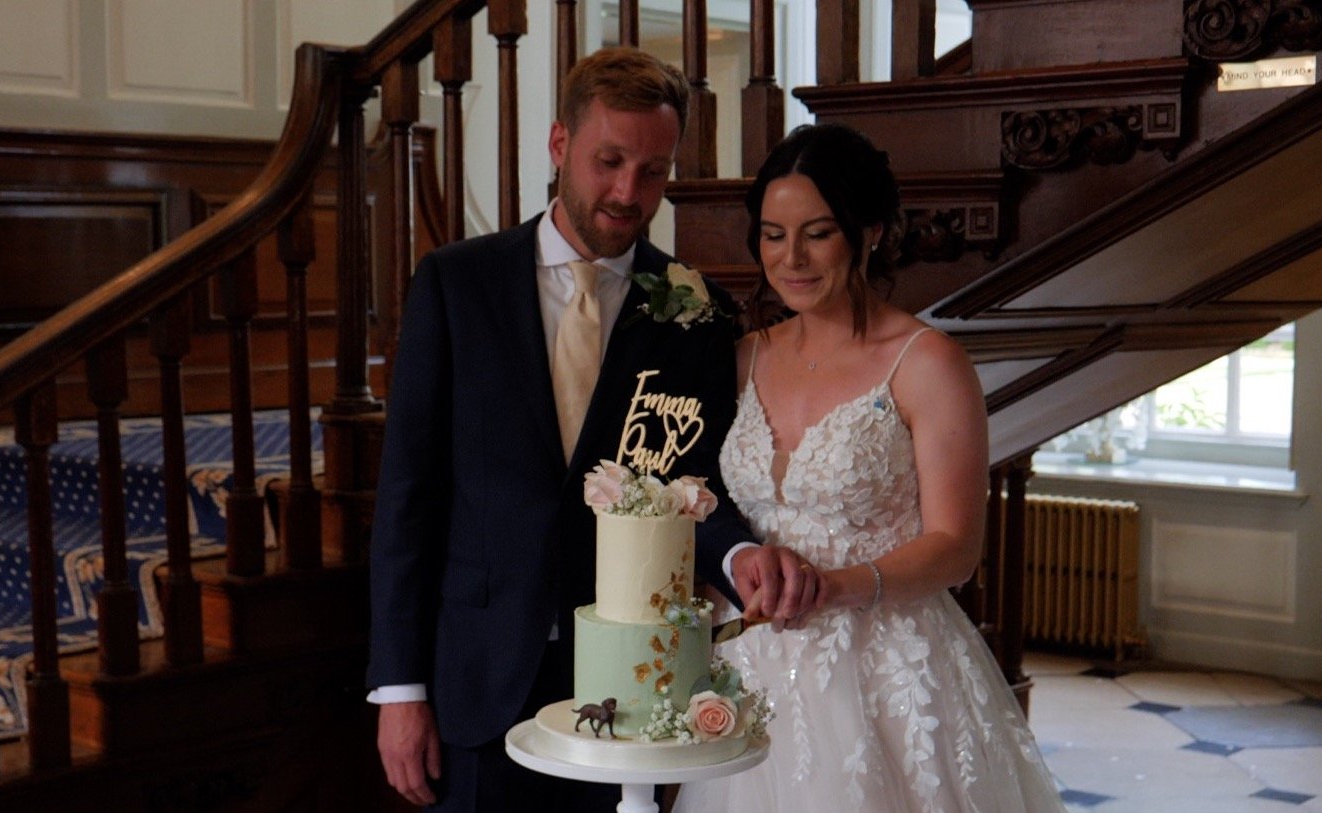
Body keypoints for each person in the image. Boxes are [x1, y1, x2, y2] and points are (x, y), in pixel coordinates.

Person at [366, 48, 821, 812]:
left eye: (653, 171)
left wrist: (740, 552)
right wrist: (399, 688)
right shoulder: (455, 283)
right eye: (609, 160)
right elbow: (409, 495)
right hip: (477, 677)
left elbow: (696, 488)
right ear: (559, 145)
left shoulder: (697, 309)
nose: (627, 192)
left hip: (629, 685)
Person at [674, 124, 1068, 812]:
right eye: (772, 234)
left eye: (817, 233)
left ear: (872, 231)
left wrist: (841, 584)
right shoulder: (744, 357)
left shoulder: (927, 363)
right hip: (753, 660)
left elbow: (957, 547)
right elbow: (706, 501)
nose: (790, 257)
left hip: (886, 662)